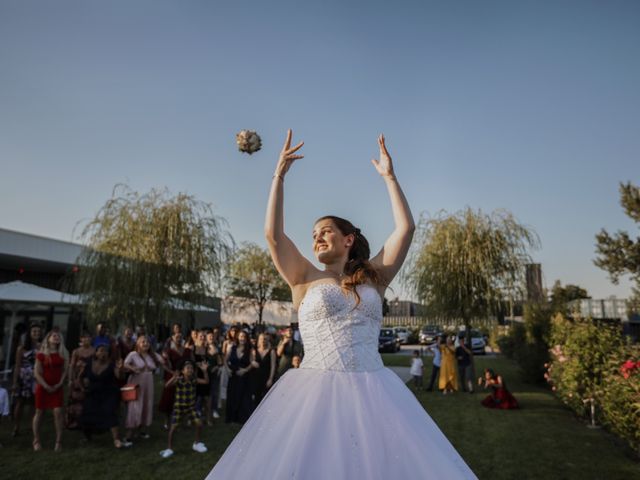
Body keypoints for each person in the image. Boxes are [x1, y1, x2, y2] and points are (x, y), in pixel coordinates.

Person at [206, 130, 476, 478]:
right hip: (312, 397)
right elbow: (273, 235)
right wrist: (279, 176)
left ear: (348, 239)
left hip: (375, 392)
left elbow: (405, 229)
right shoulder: (303, 276)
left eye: (325, 230)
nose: (317, 236)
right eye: (314, 233)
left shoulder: (374, 278)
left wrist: (389, 177)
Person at [79, 344, 130, 448]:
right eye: (101, 351)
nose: (103, 353)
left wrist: (120, 368)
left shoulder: (111, 365)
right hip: (93, 393)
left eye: (106, 351)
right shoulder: (89, 364)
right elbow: (80, 376)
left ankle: (116, 439)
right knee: (87, 413)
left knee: (109, 412)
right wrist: (82, 388)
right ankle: (88, 437)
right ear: (96, 353)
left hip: (109, 393)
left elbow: (119, 377)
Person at [159, 360, 209, 458]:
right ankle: (169, 448)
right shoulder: (179, 379)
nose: (190, 370)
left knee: (199, 424)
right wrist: (174, 377)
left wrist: (204, 371)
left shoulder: (194, 379)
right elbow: (167, 385)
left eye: (191, 368)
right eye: (188, 368)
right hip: (179, 407)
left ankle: (196, 444)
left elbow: (206, 381)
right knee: (173, 428)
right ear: (182, 371)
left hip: (191, 407)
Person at [123, 335, 165, 442]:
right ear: (137, 344)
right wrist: (133, 368)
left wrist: (164, 358)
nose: (145, 344)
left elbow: (163, 361)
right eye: (143, 342)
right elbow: (125, 364)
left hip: (148, 382)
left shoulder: (152, 355)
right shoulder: (133, 354)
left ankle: (141, 430)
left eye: (147, 342)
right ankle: (129, 435)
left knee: (146, 404)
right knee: (135, 405)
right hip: (137, 382)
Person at [32, 330, 69, 452]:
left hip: (57, 387)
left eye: (58, 336)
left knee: (58, 412)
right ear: (48, 339)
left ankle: (59, 441)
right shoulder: (41, 354)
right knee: (39, 412)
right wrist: (45, 385)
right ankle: (36, 439)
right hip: (43, 387)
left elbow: (65, 370)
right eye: (54, 336)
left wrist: (60, 383)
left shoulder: (63, 354)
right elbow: (36, 372)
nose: (56, 337)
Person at [11, 322, 42, 437]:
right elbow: (17, 366)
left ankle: (31, 426)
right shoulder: (21, 348)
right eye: (34, 331)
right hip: (24, 378)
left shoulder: (41, 347)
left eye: (38, 332)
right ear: (29, 333)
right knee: (20, 403)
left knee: (34, 403)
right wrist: (14, 382)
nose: (36, 333)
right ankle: (16, 426)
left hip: (36, 377)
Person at [158, 330, 193, 429]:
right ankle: (167, 421)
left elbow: (191, 361)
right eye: (177, 337)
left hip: (185, 376)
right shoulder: (168, 351)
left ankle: (182, 420)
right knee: (169, 398)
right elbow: (164, 365)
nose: (179, 339)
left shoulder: (187, 350)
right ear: (173, 338)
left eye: (180, 337)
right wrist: (172, 372)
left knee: (183, 398)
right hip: (172, 375)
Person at [224, 330, 258, 424]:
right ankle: (231, 418)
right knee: (232, 396)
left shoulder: (249, 349)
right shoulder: (232, 347)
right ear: (238, 337)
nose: (242, 338)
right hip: (233, 375)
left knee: (243, 397)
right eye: (240, 336)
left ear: (246, 338)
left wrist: (245, 370)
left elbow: (252, 362)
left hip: (244, 377)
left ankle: (241, 419)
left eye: (244, 337)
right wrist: (227, 369)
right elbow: (225, 360)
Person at [66, 331, 94, 429]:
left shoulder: (94, 351)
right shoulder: (76, 351)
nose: (86, 339)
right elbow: (72, 366)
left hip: (90, 378)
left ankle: (88, 420)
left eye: (88, 337)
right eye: (84, 338)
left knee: (89, 399)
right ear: (81, 339)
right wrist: (70, 379)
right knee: (76, 399)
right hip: (78, 378)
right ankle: (75, 421)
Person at [252, 333, 276, 406]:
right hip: (255, 378)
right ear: (258, 340)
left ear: (267, 340)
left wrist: (270, 379)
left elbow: (273, 366)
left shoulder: (271, 351)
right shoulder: (254, 351)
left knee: (266, 399)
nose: (263, 340)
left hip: (266, 378)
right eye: (261, 339)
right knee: (256, 399)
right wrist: (252, 362)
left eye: (265, 339)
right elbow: (251, 362)